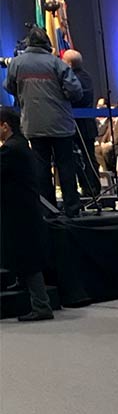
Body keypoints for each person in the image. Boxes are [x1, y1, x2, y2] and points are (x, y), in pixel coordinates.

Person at [2, 26, 83, 217]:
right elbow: (76, 91)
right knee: (66, 167)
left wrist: (25, 95)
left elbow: (8, 87)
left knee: (41, 168)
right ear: (47, 44)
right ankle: (72, 209)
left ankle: (47, 210)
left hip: (33, 124)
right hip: (61, 123)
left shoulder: (16, 63)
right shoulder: (57, 63)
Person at [0, 107, 54, 321]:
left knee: (27, 258)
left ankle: (41, 305)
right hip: (25, 209)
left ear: (5, 126)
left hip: (19, 212)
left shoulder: (11, 149)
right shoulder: (21, 145)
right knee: (23, 255)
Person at [61, 49, 101, 197]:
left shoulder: (78, 79)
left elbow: (76, 98)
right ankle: (87, 187)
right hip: (81, 124)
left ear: (69, 64)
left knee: (87, 159)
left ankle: (92, 189)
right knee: (82, 158)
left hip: (82, 125)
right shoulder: (84, 76)